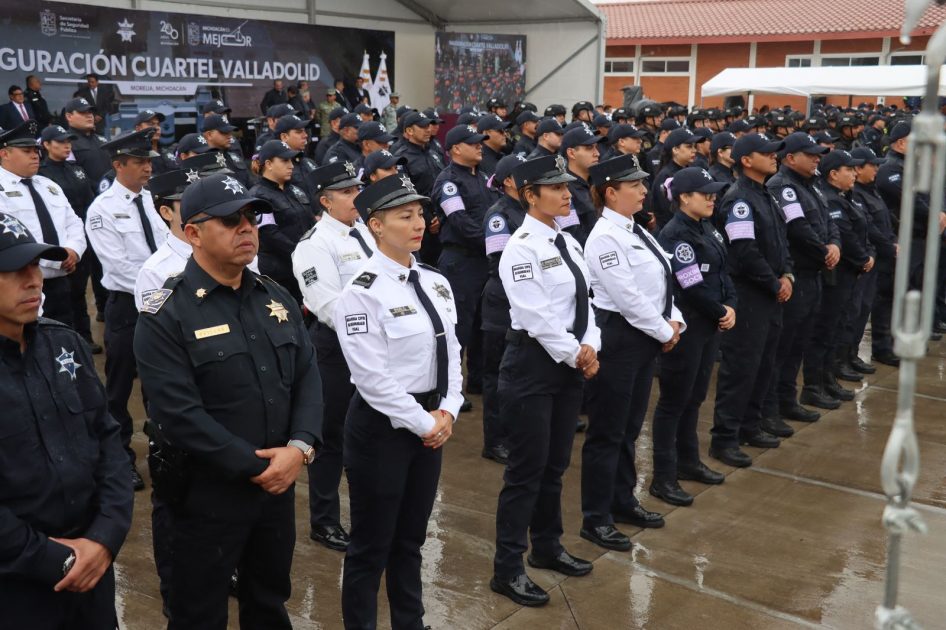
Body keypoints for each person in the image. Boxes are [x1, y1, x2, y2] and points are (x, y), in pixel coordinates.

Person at [134, 172, 322, 628]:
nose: (247, 228)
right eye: (230, 220)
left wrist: (300, 448)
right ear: (192, 233)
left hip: (276, 488)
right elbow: (177, 415)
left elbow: (308, 379)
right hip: (206, 496)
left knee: (269, 601)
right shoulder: (166, 313)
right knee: (198, 611)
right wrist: (260, 467)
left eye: (252, 218)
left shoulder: (273, 296)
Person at [335, 174, 462, 629]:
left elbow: (452, 351)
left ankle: (411, 622)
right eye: (404, 216)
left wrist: (449, 407)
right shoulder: (361, 292)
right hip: (383, 428)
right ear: (374, 224)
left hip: (432, 420)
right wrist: (426, 422)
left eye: (421, 215)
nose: (418, 223)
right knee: (371, 546)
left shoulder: (435, 281)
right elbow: (372, 378)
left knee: (410, 540)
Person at [0, 211, 133, 628]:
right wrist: (53, 558)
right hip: (16, 584)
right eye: (14, 270)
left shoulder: (65, 344)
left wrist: (104, 538)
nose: (35, 280)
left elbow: (108, 442)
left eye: (35, 266)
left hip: (92, 567)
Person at [491, 155, 600, 607]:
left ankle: (548, 547)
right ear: (529, 195)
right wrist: (576, 353)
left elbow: (586, 300)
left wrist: (591, 344)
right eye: (554, 188)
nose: (565, 194)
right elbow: (534, 314)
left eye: (566, 187)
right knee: (525, 472)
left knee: (555, 466)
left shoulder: (567, 241)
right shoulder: (521, 247)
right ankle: (508, 567)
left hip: (569, 363)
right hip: (534, 365)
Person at [580, 154, 679, 549]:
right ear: (610, 192)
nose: (643, 190)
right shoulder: (605, 237)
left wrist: (675, 321)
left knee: (629, 428)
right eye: (634, 185)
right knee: (607, 431)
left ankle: (622, 500)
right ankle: (596, 517)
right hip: (619, 338)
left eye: (642, 183)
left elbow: (663, 278)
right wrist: (663, 330)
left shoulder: (636, 229)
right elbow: (627, 296)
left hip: (645, 335)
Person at [290, 162, 369, 553]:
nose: (357, 197)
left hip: (373, 344)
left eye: (358, 189)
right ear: (325, 200)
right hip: (336, 348)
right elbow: (329, 306)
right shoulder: (313, 244)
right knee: (331, 436)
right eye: (348, 192)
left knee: (367, 432)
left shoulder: (365, 232)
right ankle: (324, 520)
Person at [85, 128, 169, 491]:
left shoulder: (151, 201)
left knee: (161, 385)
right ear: (119, 165)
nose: (147, 168)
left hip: (162, 302)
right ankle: (121, 461)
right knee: (119, 389)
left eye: (149, 161)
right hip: (128, 307)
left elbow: (167, 250)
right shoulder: (102, 210)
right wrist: (161, 291)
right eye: (139, 162)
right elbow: (116, 267)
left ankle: (162, 452)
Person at [651, 167, 734, 507]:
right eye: (705, 194)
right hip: (687, 326)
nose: (712, 199)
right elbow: (690, 285)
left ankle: (688, 461)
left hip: (709, 325)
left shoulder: (707, 227)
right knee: (673, 402)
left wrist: (730, 305)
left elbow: (723, 270)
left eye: (714, 193)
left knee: (695, 397)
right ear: (684, 197)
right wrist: (720, 311)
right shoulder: (674, 235)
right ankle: (663, 477)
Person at [709, 133, 792, 469]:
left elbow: (781, 242)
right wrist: (774, 282)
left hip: (771, 292)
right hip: (750, 294)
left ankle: (750, 425)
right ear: (746, 160)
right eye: (767, 153)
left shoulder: (766, 195)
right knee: (741, 368)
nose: (774, 157)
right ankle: (725, 438)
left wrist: (787, 274)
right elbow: (745, 252)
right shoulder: (739, 199)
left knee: (764, 364)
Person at [763, 133, 839, 420]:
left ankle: (787, 400)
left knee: (799, 344)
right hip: (797, 274)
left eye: (818, 154)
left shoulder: (813, 185)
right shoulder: (783, 186)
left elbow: (828, 220)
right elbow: (797, 227)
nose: (817, 158)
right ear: (791, 158)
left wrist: (834, 245)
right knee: (783, 347)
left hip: (814, 274)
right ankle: (771, 408)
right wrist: (824, 250)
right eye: (811, 154)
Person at [431, 124, 498, 406]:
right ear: (456, 149)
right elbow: (459, 221)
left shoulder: (482, 176)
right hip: (460, 261)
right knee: (458, 327)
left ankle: (478, 379)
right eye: (474, 143)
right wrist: (493, 241)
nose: (480, 146)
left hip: (484, 260)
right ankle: (451, 390)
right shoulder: (448, 181)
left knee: (483, 323)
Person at [801, 150, 874, 405]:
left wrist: (867, 255)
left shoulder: (846, 197)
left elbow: (860, 230)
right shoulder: (831, 199)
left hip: (849, 273)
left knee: (837, 327)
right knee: (824, 330)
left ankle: (827, 378)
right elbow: (844, 234)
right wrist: (863, 258)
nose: (854, 173)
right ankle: (813, 385)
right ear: (833, 174)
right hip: (836, 274)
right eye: (848, 170)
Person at [0, 121, 86, 330]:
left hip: (62, 281)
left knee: (61, 339)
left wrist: (73, 250)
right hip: (21, 283)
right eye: (26, 151)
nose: (35, 156)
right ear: (5, 154)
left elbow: (73, 222)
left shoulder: (48, 185)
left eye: (36, 151)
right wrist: (56, 257)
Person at [479, 154, 527, 465]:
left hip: (522, 305)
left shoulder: (531, 211)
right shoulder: (498, 216)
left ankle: (514, 433)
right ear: (508, 181)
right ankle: (494, 441)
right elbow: (499, 264)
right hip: (501, 305)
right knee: (496, 378)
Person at [39, 124, 101, 352]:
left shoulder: (76, 169)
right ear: (46, 145)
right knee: (62, 297)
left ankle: (84, 337)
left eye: (68, 141)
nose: (67, 146)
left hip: (81, 240)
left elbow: (90, 200)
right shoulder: (41, 175)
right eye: (61, 142)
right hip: (60, 246)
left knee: (79, 294)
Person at [851, 146, 899, 367]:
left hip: (883, 257)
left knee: (870, 305)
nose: (877, 169)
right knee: (858, 309)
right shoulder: (856, 194)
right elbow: (869, 227)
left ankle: (855, 354)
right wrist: (889, 246)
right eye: (872, 165)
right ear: (858, 169)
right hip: (871, 258)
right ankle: (847, 356)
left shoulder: (872, 190)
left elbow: (886, 218)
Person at [250, 140, 315, 303]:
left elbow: (311, 222)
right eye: (285, 161)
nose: (291, 165)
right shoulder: (259, 195)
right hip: (278, 271)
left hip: (305, 266)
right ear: (269, 164)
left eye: (291, 160)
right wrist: (300, 253)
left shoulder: (295, 190)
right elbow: (269, 235)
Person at [64, 97, 110, 321]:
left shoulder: (101, 138)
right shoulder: (69, 142)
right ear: (69, 116)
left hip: (108, 209)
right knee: (89, 266)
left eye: (90, 111)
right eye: (83, 112)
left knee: (105, 260)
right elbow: (75, 178)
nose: (89, 115)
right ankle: (100, 308)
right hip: (86, 211)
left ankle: (105, 307)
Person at [560, 126, 606, 245]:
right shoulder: (563, 189)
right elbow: (573, 237)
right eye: (589, 148)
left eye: (596, 147)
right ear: (571, 153)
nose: (597, 153)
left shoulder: (598, 182)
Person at [651, 127, 702, 229]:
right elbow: (670, 214)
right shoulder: (666, 177)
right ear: (675, 150)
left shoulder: (688, 169)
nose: (694, 150)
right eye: (689, 147)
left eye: (694, 146)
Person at [202, 113, 253, 187]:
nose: (230, 136)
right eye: (223, 132)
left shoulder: (235, 157)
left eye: (229, 132)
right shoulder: (200, 160)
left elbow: (249, 185)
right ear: (209, 135)